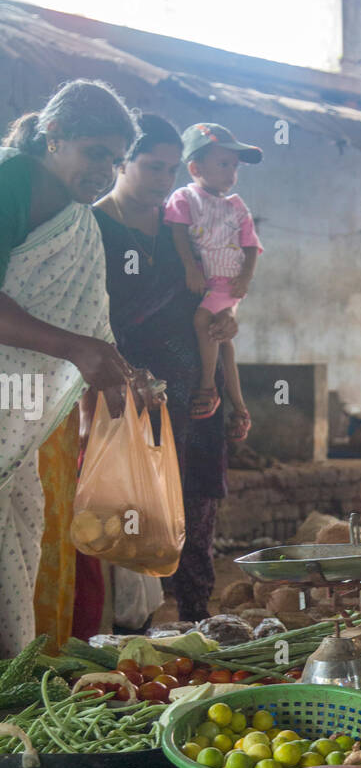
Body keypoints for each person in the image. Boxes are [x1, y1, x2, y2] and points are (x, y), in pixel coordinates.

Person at [0, 80, 138, 654]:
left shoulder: (78, 218)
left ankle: (12, 679)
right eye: (95, 153)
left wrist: (120, 376)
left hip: (18, 406)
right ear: (53, 139)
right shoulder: (10, 181)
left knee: (20, 530)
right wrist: (74, 349)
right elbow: (73, 335)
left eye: (115, 159)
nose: (106, 172)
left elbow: (90, 320)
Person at [94, 114, 236, 624]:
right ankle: (127, 632)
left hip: (197, 388)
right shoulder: (92, 227)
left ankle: (197, 622)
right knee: (131, 508)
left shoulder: (187, 227)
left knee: (196, 505)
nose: (163, 180)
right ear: (122, 163)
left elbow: (217, 305)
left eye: (172, 169)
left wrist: (226, 337)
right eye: (152, 167)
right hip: (122, 390)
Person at [164, 123, 262, 436]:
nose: (231, 172)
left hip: (228, 283)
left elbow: (251, 247)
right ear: (194, 167)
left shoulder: (236, 206)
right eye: (223, 164)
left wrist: (245, 280)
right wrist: (191, 267)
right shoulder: (184, 198)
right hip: (208, 279)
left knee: (202, 320)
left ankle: (207, 387)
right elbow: (178, 234)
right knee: (223, 340)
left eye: (235, 166)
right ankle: (240, 407)